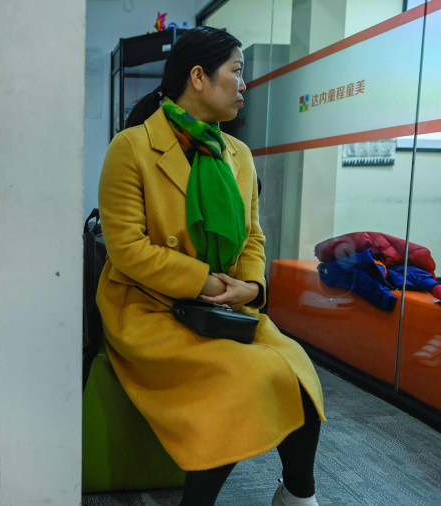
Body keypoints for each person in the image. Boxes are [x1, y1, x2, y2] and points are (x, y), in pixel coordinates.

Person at [96, 27, 324, 506]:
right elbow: (127, 249)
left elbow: (254, 236)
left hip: (225, 306)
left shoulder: (236, 153)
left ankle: (298, 495)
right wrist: (204, 280)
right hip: (149, 308)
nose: (244, 85)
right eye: (237, 72)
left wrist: (250, 287)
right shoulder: (131, 147)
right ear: (198, 77)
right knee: (237, 382)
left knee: (297, 371)